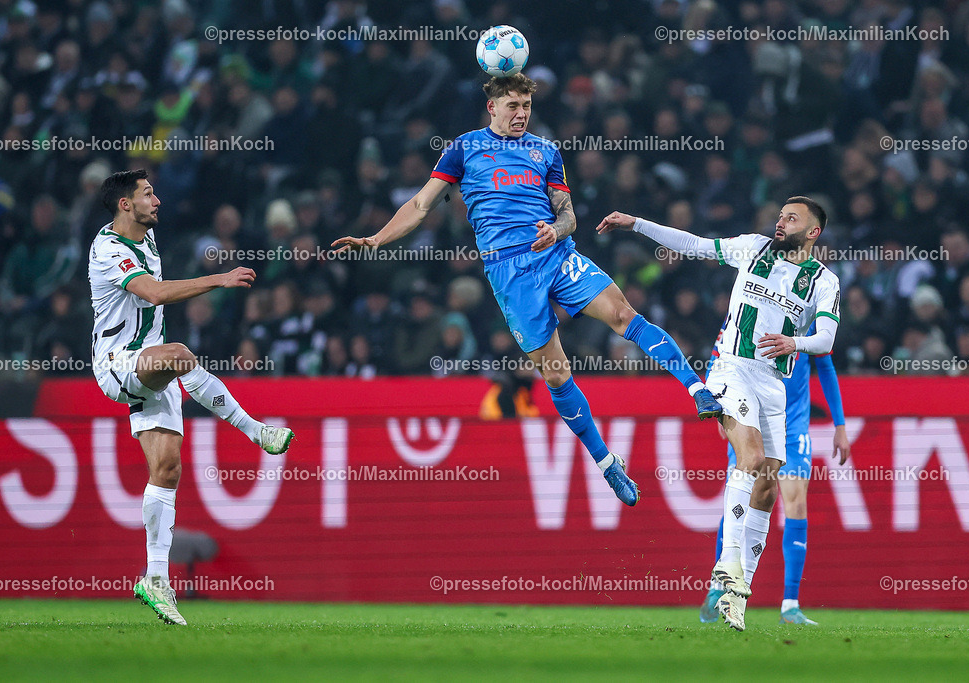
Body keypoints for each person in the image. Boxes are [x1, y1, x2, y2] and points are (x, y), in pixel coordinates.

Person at [332, 74, 722, 506]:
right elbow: (421, 205)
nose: (521, 114)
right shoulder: (463, 149)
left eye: (526, 107)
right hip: (510, 273)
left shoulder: (546, 151)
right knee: (556, 374)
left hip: (555, 253)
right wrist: (376, 239)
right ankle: (607, 463)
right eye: (513, 106)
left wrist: (555, 230)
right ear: (492, 107)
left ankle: (697, 388)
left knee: (624, 315)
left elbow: (569, 216)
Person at [598, 196, 841, 631]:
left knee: (767, 487)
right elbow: (693, 244)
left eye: (792, 219)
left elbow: (825, 339)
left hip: (773, 383)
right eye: (781, 215)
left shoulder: (825, 282)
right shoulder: (752, 248)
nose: (780, 222)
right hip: (730, 367)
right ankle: (727, 564)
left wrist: (795, 344)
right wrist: (637, 223)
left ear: (813, 233)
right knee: (748, 460)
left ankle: (738, 594)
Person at [90, 169, 294, 626]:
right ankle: (255, 430)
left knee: (167, 469)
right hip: (118, 363)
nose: (157, 200)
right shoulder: (109, 248)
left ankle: (155, 579)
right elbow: (156, 293)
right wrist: (217, 279)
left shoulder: (146, 239)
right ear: (126, 204)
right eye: (147, 194)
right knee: (182, 355)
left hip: (147, 367)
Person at [699, 321, 851, 626]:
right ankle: (719, 586)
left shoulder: (808, 316)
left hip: (793, 424)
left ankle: (790, 604)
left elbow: (826, 366)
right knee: (745, 493)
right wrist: (717, 403)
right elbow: (719, 354)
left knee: (794, 502)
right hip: (750, 415)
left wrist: (840, 425)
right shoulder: (749, 308)